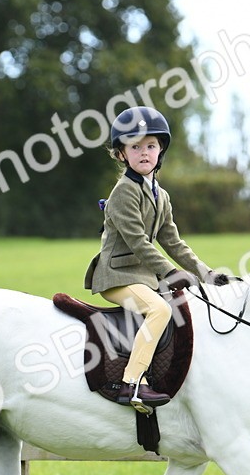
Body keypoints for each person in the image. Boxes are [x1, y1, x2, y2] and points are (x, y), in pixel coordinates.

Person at [84, 105, 228, 410]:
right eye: (135, 147)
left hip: (142, 277)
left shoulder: (161, 196)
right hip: (117, 276)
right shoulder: (123, 192)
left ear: (160, 150)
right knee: (160, 310)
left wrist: (206, 273)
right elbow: (137, 242)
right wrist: (169, 273)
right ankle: (132, 383)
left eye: (150, 146)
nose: (144, 153)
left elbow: (173, 242)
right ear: (121, 154)